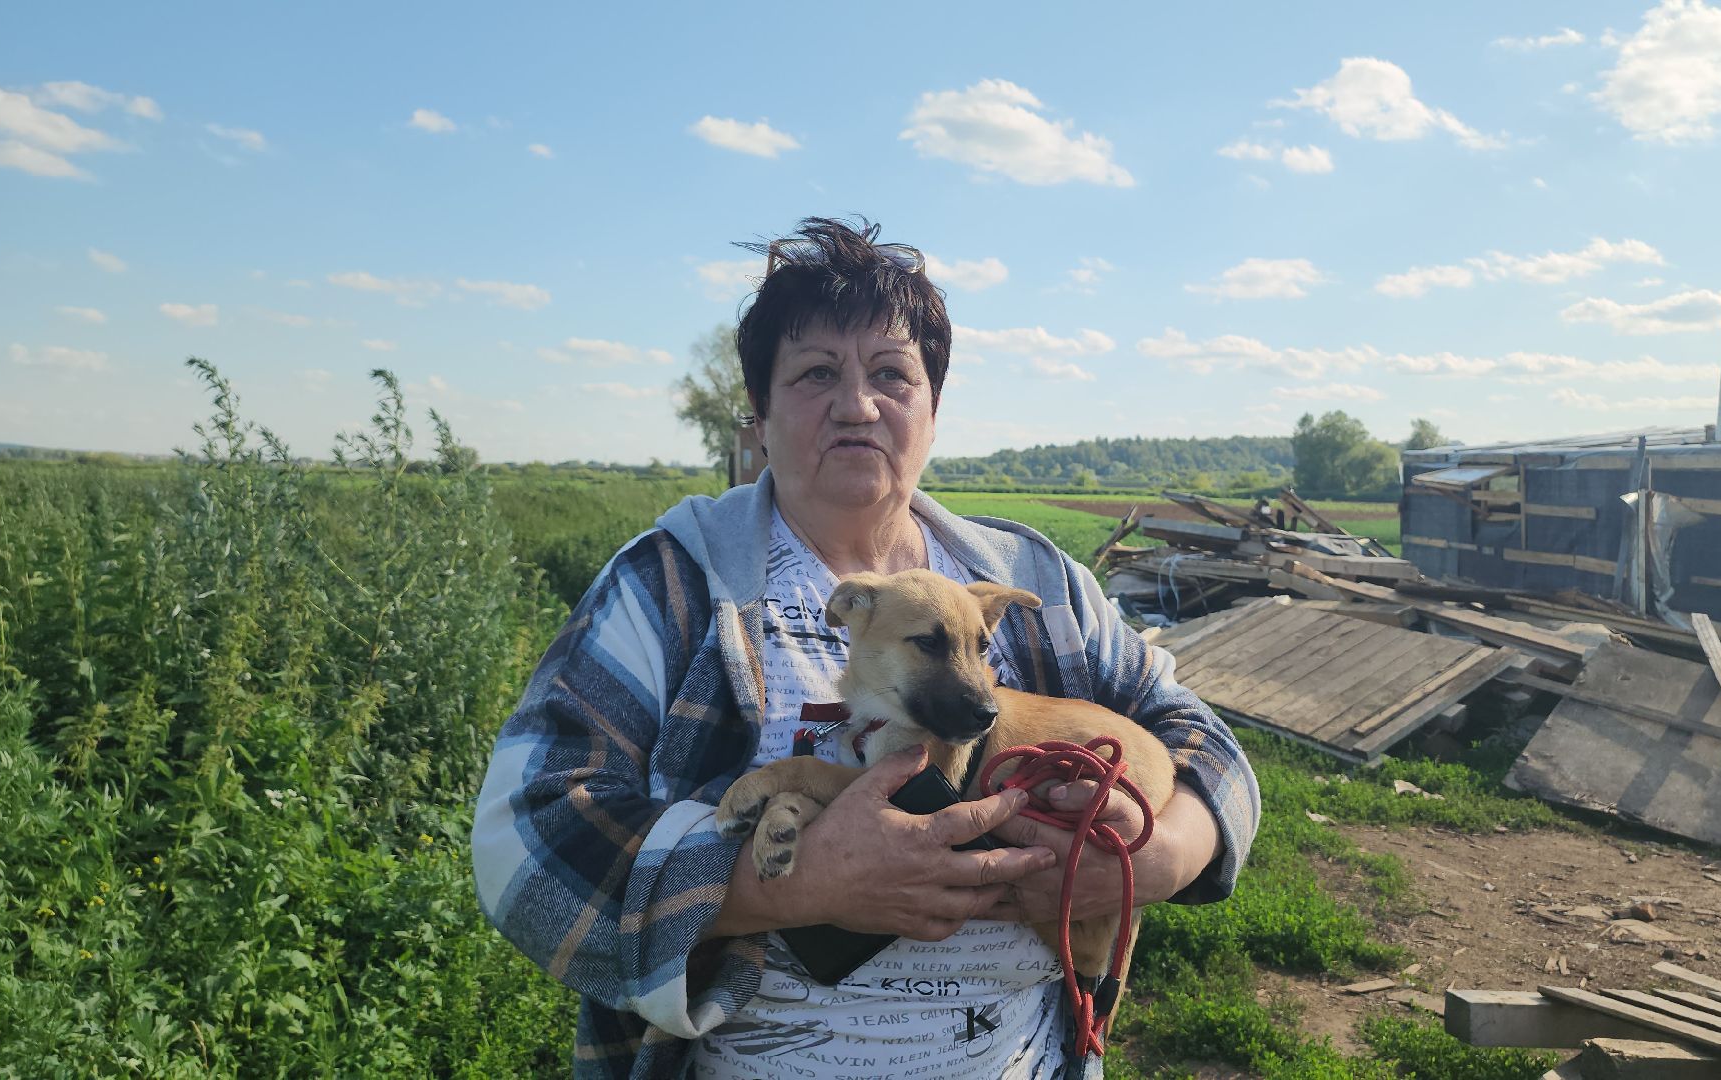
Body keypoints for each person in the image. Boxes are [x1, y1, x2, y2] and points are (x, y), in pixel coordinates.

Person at [473, 217, 1260, 1079]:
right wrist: (792, 886)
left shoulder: (1035, 582)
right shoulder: (677, 584)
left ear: (932, 409)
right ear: (761, 413)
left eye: (892, 373)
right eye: (815, 374)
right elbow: (525, 848)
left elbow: (1199, 736)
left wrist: (1162, 854)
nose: (857, 404)